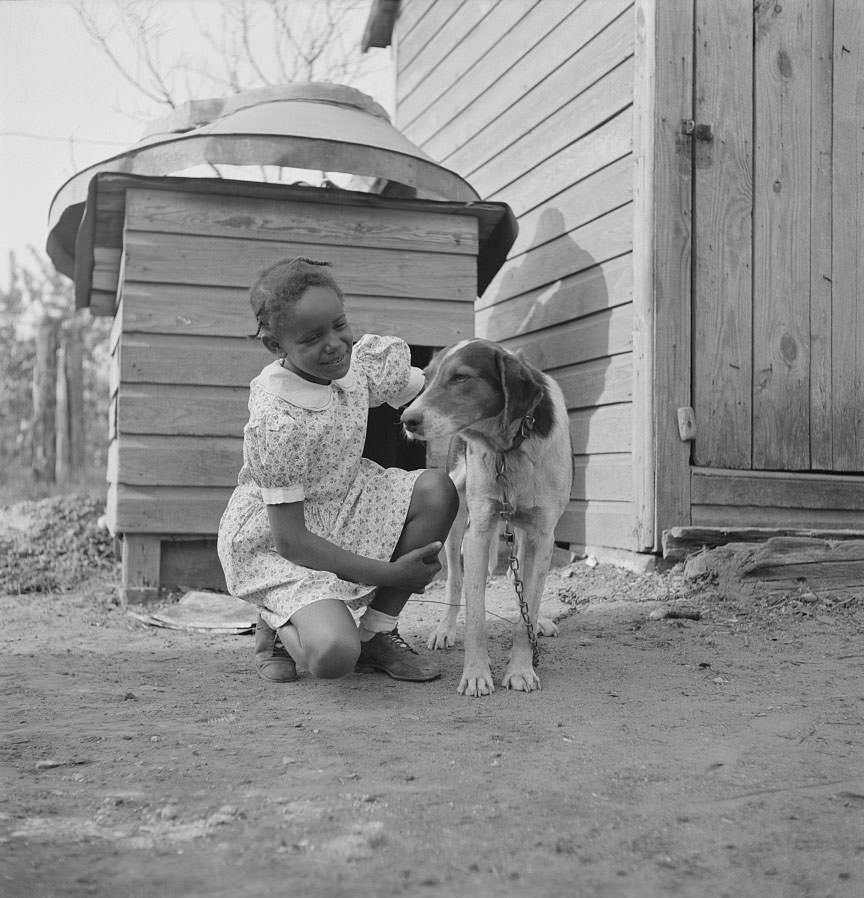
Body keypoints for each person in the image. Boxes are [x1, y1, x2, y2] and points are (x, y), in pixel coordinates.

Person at [217, 257, 458, 684]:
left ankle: (377, 634)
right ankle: (276, 621)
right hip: (283, 543)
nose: (335, 344)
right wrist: (392, 574)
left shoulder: (357, 365)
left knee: (438, 490)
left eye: (339, 325)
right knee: (332, 659)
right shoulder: (279, 420)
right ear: (278, 347)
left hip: (348, 502)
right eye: (312, 338)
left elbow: (434, 392)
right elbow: (292, 542)